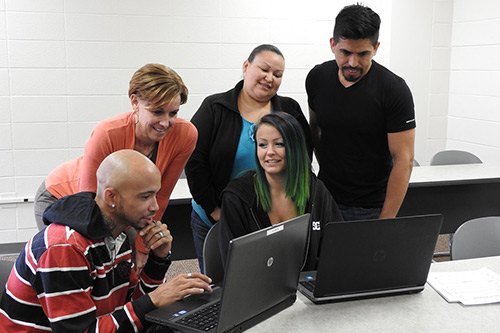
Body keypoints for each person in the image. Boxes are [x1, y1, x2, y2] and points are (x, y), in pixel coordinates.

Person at [0, 150, 212, 332]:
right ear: (111, 197)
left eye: (155, 195)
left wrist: (157, 261)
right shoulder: (65, 247)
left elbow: (131, 305)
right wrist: (154, 299)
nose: (155, 206)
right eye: (145, 197)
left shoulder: (117, 234)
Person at [33, 63, 198, 269]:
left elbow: (160, 197)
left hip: (114, 203)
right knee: (77, 263)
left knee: (126, 264)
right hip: (66, 197)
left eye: (173, 113)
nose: (165, 123)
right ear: (135, 101)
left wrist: (142, 248)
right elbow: (90, 204)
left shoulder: (185, 135)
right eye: (157, 112)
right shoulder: (108, 133)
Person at [185, 44, 313, 271]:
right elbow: (194, 162)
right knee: (223, 284)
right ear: (246, 66)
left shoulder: (289, 109)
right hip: (216, 216)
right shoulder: (215, 107)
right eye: (264, 69)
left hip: (268, 218)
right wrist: (215, 210)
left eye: (277, 74)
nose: (269, 78)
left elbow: (303, 155)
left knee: (268, 281)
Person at [306, 4, 416, 221]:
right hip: (324, 197)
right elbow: (316, 130)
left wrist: (385, 220)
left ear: (376, 48)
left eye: (363, 54)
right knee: (322, 256)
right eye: (345, 52)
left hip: (370, 207)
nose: (352, 63)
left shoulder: (394, 90)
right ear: (332, 44)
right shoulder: (317, 78)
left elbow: (404, 159)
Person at [218, 112, 342, 271]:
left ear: (295, 148)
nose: (269, 152)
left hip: (306, 289)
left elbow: (337, 248)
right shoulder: (237, 196)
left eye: (279, 144)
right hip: (257, 289)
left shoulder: (316, 190)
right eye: (262, 144)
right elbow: (233, 265)